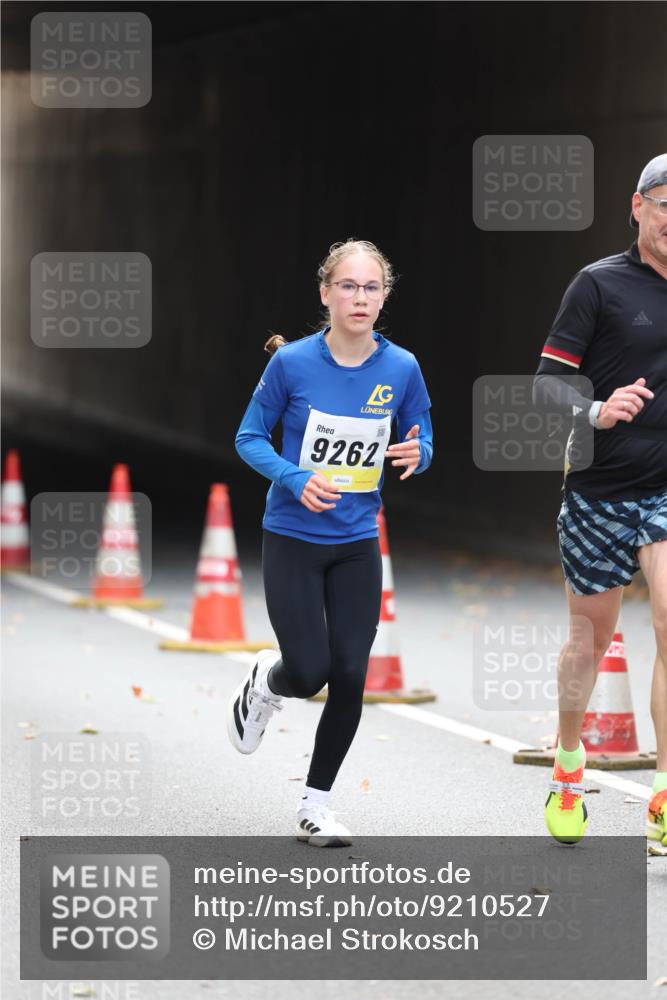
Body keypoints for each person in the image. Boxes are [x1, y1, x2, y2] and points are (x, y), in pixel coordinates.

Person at [228, 238, 433, 847]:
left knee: (349, 673)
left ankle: (315, 805)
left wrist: (417, 454)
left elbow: (423, 438)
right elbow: (248, 437)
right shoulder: (292, 364)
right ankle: (267, 682)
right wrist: (294, 477)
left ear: (384, 297)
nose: (360, 297)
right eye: (348, 286)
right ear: (326, 293)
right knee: (309, 669)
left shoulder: (402, 368)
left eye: (371, 287)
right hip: (292, 537)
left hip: (356, 543)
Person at [533, 154, 667, 846]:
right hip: (601, 486)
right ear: (637, 206)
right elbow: (546, 383)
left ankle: (664, 795)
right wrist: (596, 409)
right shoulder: (597, 284)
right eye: (665, 204)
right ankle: (566, 760)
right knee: (589, 640)